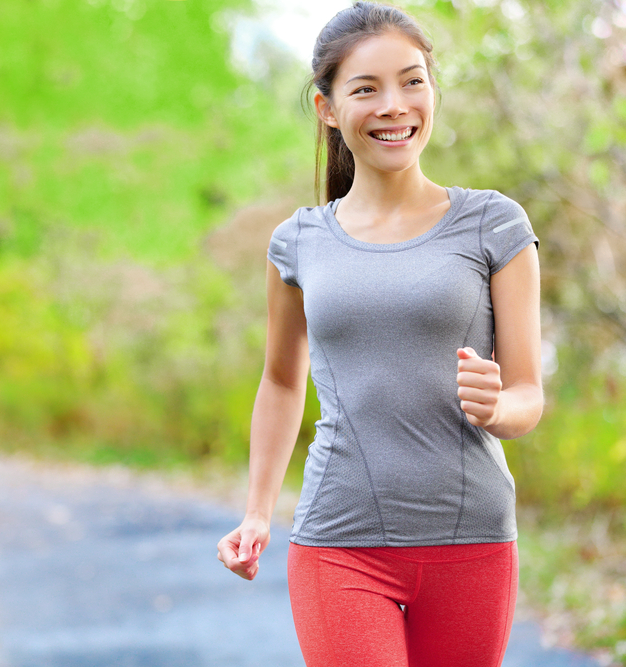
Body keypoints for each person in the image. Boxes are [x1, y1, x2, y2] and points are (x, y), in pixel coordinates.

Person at [216, 2, 543, 665]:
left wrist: (496, 406)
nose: (395, 105)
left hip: (471, 542)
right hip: (338, 542)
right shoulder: (298, 242)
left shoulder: (495, 225)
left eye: (412, 80)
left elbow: (527, 394)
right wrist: (257, 510)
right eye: (366, 88)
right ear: (327, 108)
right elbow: (281, 380)